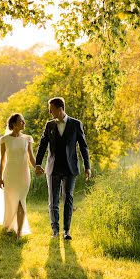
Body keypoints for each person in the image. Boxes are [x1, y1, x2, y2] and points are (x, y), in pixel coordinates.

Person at [35, 97, 91, 240]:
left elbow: (83, 147)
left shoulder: (76, 124)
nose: (49, 112)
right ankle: (55, 230)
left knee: (68, 199)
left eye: (51, 109)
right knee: (53, 200)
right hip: (53, 168)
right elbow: (42, 145)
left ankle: (66, 231)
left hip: (70, 168)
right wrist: (37, 164)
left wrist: (87, 166)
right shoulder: (49, 126)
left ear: (60, 109)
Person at [0, 113, 36, 238]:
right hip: (10, 174)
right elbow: (2, 160)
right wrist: (0, 177)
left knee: (20, 200)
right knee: (11, 201)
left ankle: (19, 232)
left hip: (24, 174)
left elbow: (31, 157)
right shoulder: (4, 139)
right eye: (21, 121)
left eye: (23, 121)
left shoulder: (28, 138)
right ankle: (9, 224)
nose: (23, 123)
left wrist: (37, 167)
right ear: (13, 124)